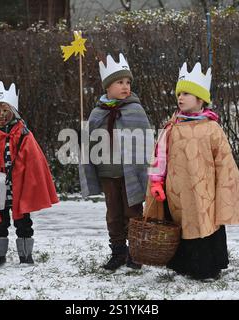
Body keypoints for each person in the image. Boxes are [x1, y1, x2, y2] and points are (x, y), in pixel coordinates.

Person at [145, 61, 239, 280]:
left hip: (206, 193)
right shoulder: (172, 127)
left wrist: (224, 188)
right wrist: (157, 182)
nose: (180, 97)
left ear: (200, 99)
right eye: (179, 93)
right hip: (177, 193)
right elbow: (160, 156)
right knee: (182, 226)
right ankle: (183, 265)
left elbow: (224, 162)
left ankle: (207, 267)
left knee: (205, 225)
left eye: (186, 93)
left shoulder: (212, 129)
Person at [0, 81, 59, 267]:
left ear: (13, 111)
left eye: (4, 110)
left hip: (19, 189)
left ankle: (25, 256)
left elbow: (35, 162)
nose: (1, 115)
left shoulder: (25, 135)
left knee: (23, 223)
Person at [79, 53, 152, 271]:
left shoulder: (135, 109)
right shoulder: (96, 113)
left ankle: (135, 252)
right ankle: (118, 251)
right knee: (113, 215)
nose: (125, 86)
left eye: (128, 82)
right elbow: (89, 144)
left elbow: (146, 140)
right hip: (107, 174)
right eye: (119, 82)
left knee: (133, 213)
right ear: (107, 87)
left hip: (131, 173)